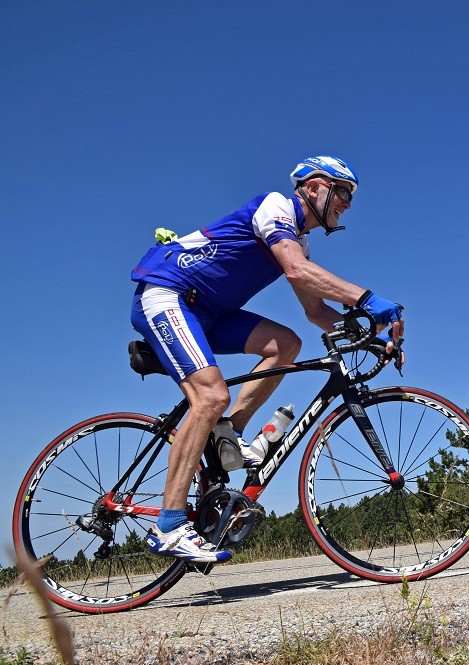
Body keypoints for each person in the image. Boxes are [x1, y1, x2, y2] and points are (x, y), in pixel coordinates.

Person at [130, 155, 404, 563]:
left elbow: (316, 312)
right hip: (168, 295)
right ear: (314, 187)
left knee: (285, 344)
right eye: (343, 191)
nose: (347, 203)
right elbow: (296, 271)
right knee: (210, 396)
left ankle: (227, 432)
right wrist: (367, 299)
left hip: (209, 314)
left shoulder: (299, 239)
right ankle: (168, 525)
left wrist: (367, 335)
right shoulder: (275, 206)